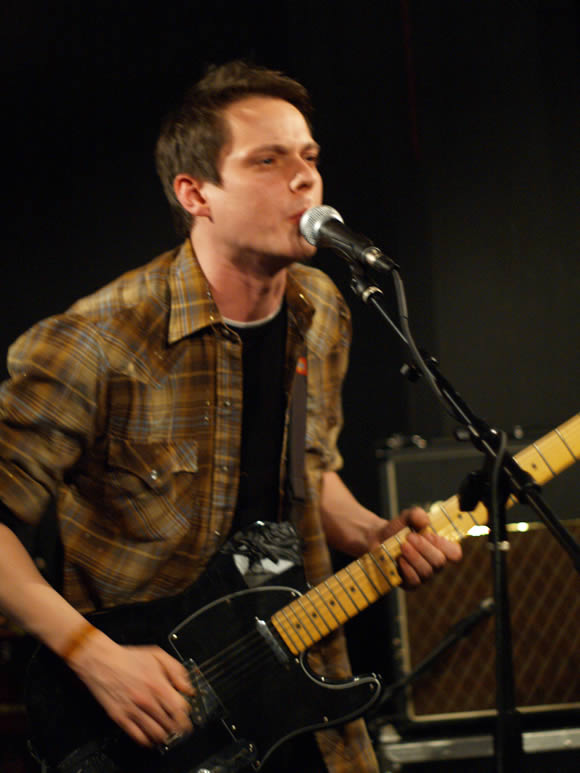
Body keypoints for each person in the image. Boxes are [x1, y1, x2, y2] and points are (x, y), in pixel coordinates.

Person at [0, 61, 461, 772]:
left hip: (295, 679)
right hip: (157, 713)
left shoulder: (323, 309)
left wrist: (373, 531)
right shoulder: (96, 340)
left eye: (309, 157)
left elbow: (311, 470)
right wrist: (95, 656)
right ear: (195, 193)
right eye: (268, 161)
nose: (304, 179)